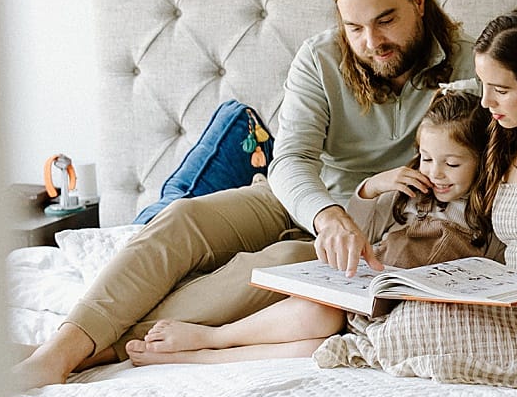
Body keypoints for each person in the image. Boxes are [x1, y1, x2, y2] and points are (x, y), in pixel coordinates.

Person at [12, 0, 474, 388]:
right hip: (300, 199)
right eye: (354, 28)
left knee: (283, 263)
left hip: (374, 226)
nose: (371, 42)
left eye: (385, 20)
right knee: (184, 217)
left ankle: (101, 348)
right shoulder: (320, 58)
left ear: (418, 0)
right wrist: (324, 213)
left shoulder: (469, 63)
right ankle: (57, 352)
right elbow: (291, 159)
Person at [311, 8, 517, 384]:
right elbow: (450, 129)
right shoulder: (503, 139)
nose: (487, 101)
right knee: (414, 316)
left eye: (501, 90)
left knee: (421, 324)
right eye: (483, 84)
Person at [126, 83, 492, 365]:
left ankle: (203, 356)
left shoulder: (488, 208)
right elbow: (360, 229)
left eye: (453, 164)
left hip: (402, 308)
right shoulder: (412, 191)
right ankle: (215, 337)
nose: (436, 173)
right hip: (358, 293)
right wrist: (374, 186)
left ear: (483, 160)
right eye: (427, 158)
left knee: (320, 346)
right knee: (318, 314)